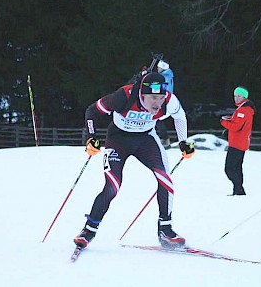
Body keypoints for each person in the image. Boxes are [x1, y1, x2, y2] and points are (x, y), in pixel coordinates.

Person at [74, 72, 195, 249]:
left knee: (165, 179)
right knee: (113, 186)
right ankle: (88, 230)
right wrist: (91, 138)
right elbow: (92, 110)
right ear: (142, 94)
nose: (157, 103)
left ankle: (165, 230)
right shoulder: (124, 96)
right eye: (153, 97)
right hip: (118, 140)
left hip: (145, 140)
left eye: (160, 97)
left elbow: (180, 116)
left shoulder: (169, 101)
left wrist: (183, 141)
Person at [220, 86, 256, 196]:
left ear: (244, 97)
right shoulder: (243, 109)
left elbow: (237, 127)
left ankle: (239, 189)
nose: (236, 98)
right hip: (239, 143)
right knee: (237, 168)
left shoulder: (243, 110)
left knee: (229, 169)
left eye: (239, 96)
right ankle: (238, 191)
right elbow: (239, 123)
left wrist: (223, 122)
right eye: (235, 96)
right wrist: (230, 119)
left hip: (237, 144)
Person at [156, 60, 174, 148]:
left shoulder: (164, 77)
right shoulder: (166, 76)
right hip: (163, 100)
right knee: (156, 120)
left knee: (155, 119)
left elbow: (161, 87)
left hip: (163, 101)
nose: (157, 68)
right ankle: (164, 139)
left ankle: (164, 140)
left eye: (159, 67)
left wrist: (147, 86)